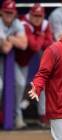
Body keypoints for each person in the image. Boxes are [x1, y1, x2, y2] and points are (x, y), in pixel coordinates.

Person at [16, 3, 53, 128]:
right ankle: (15, 117)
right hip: (13, 60)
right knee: (18, 86)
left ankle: (42, 115)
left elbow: (49, 44)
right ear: (30, 14)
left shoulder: (45, 24)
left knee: (42, 81)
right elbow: (35, 46)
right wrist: (41, 36)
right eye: (35, 15)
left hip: (26, 61)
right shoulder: (23, 23)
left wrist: (38, 37)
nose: (37, 18)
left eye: (40, 16)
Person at [0, 0, 27, 129]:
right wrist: (14, 39)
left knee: (21, 83)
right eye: (6, 12)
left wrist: (9, 38)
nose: (9, 15)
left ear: (15, 13)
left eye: (11, 12)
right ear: (1, 12)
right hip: (4, 56)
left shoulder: (17, 23)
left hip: (8, 59)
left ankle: (17, 116)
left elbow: (24, 44)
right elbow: (5, 48)